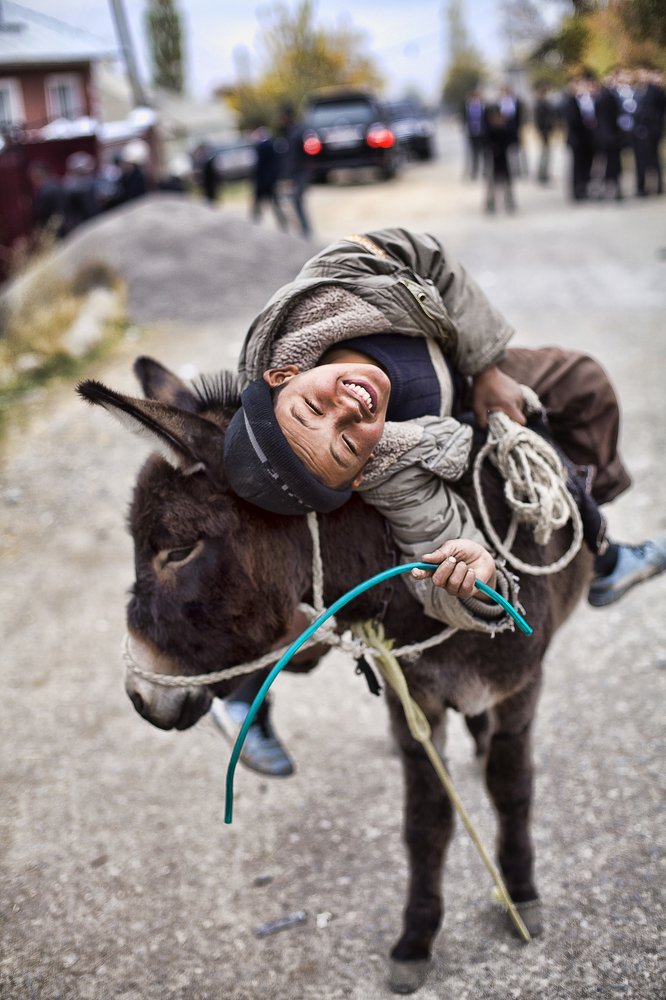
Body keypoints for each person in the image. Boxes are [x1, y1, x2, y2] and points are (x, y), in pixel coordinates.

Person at [214, 228, 666, 773]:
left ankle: (596, 547)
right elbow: (438, 547)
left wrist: (490, 367)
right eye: (346, 445)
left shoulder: (332, 287)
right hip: (444, 423)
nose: (349, 411)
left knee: (581, 383)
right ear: (361, 477)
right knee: (322, 567)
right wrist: (476, 581)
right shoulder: (390, 471)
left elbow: (427, 256)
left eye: (312, 407)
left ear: (284, 375)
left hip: (464, 368)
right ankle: (242, 692)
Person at [274, 103, 312, 238]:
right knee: (292, 202)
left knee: (296, 200)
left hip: (301, 171)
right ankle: (301, 231)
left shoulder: (299, 131)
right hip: (293, 174)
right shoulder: (287, 132)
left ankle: (306, 232)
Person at [563, 68, 599, 201]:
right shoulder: (570, 101)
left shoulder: (589, 99)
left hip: (588, 139)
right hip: (576, 139)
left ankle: (586, 186)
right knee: (577, 166)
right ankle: (578, 190)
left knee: (588, 164)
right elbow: (571, 120)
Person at [250, 126, 288, 230]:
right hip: (270, 180)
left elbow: (259, 167)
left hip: (263, 182)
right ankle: (283, 224)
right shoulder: (271, 145)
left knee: (261, 206)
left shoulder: (261, 147)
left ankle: (254, 224)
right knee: (275, 204)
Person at [482, 103, 515, 213]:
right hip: (492, 158)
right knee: (491, 181)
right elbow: (485, 142)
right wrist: (492, 148)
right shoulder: (488, 126)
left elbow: (511, 139)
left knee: (507, 181)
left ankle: (509, 202)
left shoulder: (506, 125)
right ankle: (490, 204)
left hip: (504, 157)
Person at [533, 84, 557, 184]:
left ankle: (543, 173)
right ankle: (543, 174)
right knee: (545, 152)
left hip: (545, 130)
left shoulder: (540, 103)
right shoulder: (542, 104)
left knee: (545, 152)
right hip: (545, 131)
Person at [461, 90, 485, 180]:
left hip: (482, 134)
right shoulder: (467, 108)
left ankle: (484, 172)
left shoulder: (482, 107)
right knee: (474, 154)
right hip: (472, 134)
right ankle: (474, 172)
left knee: (483, 154)